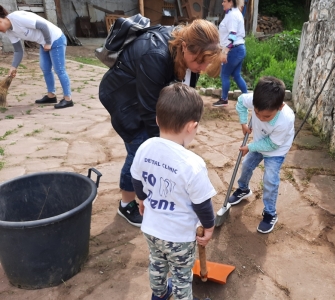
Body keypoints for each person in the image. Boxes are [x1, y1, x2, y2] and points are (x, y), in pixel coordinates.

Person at [99, 19, 221, 227]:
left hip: (146, 97)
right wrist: (168, 147)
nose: (201, 67)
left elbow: (186, 89)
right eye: (199, 61)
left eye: (206, 62)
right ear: (184, 47)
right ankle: (126, 204)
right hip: (125, 101)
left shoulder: (189, 50)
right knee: (139, 150)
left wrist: (180, 130)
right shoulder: (155, 55)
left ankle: (153, 191)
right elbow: (149, 110)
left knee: (160, 147)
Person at [130, 83, 215, 300]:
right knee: (181, 276)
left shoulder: (145, 147)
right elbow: (202, 204)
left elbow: (136, 178)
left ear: (158, 119)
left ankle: (158, 295)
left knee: (157, 264)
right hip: (179, 236)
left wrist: (141, 198)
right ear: (191, 126)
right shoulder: (193, 164)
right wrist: (209, 227)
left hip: (151, 228)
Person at [228, 76, 295, 233]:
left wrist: (250, 147)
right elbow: (240, 102)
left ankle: (270, 213)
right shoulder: (254, 99)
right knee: (246, 166)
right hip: (259, 141)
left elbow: (271, 144)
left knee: (270, 179)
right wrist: (244, 123)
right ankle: (243, 189)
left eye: (266, 117)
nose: (260, 118)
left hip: (276, 149)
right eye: (257, 113)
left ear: (280, 107)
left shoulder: (285, 119)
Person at [0, 6, 73, 109]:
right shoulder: (9, 31)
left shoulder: (17, 18)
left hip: (55, 39)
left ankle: (68, 99)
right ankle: (51, 96)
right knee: (45, 68)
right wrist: (13, 66)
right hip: (44, 43)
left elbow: (42, 26)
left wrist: (48, 42)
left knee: (59, 69)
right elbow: (18, 50)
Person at [213, 0, 248, 107]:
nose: (222, 4)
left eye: (224, 1)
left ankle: (224, 99)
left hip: (233, 50)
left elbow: (232, 35)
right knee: (236, 75)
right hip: (240, 48)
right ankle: (247, 98)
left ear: (231, 2)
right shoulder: (236, 13)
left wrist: (225, 51)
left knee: (224, 74)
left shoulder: (232, 15)